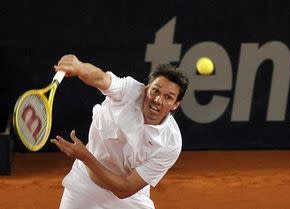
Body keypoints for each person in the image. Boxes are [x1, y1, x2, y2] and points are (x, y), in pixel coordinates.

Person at [51, 54, 189, 209]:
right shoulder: (128, 90)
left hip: (129, 199)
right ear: (146, 88)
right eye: (155, 91)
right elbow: (100, 79)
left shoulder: (171, 143)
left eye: (168, 97)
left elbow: (125, 189)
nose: (158, 99)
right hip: (84, 186)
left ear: (175, 105)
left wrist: (84, 156)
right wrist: (80, 67)